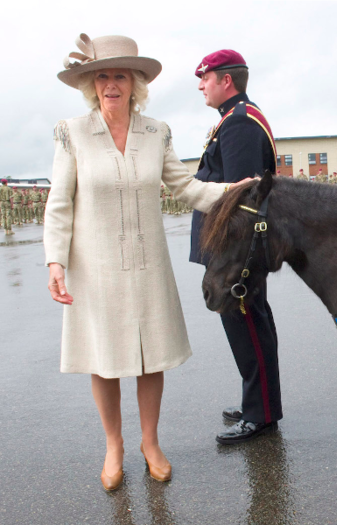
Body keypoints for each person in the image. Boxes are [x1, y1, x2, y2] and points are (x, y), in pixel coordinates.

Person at [45, 33, 242, 492]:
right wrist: (55, 261)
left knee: (151, 355)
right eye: (102, 76)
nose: (111, 84)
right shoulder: (71, 132)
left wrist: (234, 192)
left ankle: (150, 443)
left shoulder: (156, 132)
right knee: (104, 358)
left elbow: (187, 187)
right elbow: (60, 201)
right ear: (91, 85)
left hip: (148, 262)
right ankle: (113, 445)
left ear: (136, 83)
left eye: (120, 75)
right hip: (93, 265)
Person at [190, 49, 282, 445]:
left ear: (226, 80)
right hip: (231, 247)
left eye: (205, 79)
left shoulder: (239, 122)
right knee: (247, 321)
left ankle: (260, 414)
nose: (201, 86)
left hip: (234, 248)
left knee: (246, 319)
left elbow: (241, 196)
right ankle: (256, 402)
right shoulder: (235, 118)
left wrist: (229, 255)